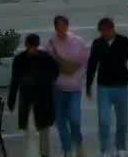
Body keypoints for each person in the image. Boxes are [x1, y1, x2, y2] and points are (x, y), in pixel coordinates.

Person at [85, 17, 128, 157]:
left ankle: (120, 147)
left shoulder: (124, 41)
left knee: (122, 121)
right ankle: (105, 149)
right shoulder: (98, 43)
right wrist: (88, 85)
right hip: (104, 87)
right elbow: (92, 64)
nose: (104, 34)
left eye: (106, 31)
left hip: (121, 85)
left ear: (112, 29)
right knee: (104, 121)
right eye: (101, 32)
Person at [7, 32, 59, 157]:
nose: (32, 50)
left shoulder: (44, 58)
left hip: (41, 97)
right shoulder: (22, 59)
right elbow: (14, 80)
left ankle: (44, 154)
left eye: (34, 47)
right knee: (29, 128)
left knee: (43, 129)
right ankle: (33, 152)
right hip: (30, 97)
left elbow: (55, 72)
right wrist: (12, 99)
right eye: (31, 47)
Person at [43, 14, 88, 157]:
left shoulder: (77, 42)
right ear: (55, 28)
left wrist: (79, 78)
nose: (61, 30)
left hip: (74, 89)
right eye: (58, 27)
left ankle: (78, 143)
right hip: (58, 90)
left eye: (63, 26)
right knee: (61, 123)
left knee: (75, 119)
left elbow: (85, 63)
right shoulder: (51, 45)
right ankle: (67, 150)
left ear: (67, 26)